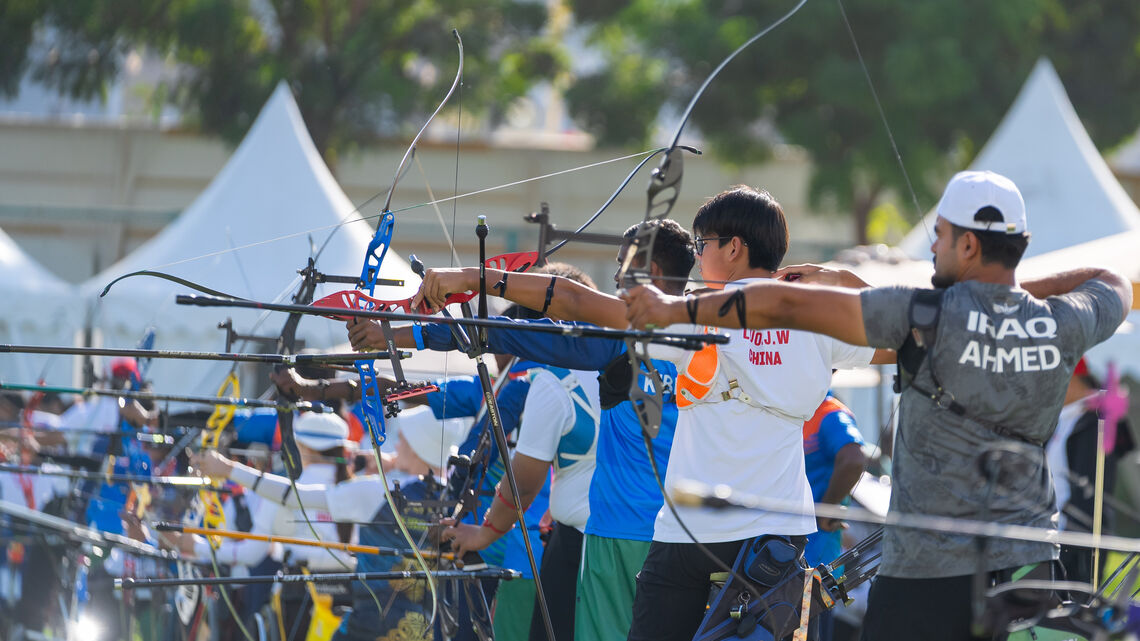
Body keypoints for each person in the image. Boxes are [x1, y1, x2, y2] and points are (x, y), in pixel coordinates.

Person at [621, 170, 1134, 639]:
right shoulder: (1064, 323)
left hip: (924, 570)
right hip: (1029, 562)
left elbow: (786, 303)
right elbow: (1110, 281)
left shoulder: (923, 312)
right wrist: (1003, 301)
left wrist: (673, 307)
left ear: (970, 243)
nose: (933, 245)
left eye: (941, 234)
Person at [412, 188, 880, 641]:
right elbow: (906, 332)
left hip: (688, 536)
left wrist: (475, 279)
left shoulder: (696, 315)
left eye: (704, 245)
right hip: (775, 538)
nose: (698, 258)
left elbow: (575, 303)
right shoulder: (818, 319)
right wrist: (837, 281)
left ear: (735, 248)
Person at [347, 224, 692, 641]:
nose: (616, 280)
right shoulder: (712, 330)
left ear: (650, 271)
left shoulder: (591, 357)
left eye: (623, 268)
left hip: (610, 538)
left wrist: (402, 330)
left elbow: (521, 331)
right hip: (686, 537)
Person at [194, 407, 466, 641]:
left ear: (418, 448)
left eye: (404, 441)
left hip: (369, 624)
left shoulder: (378, 491)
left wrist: (230, 469)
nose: (396, 447)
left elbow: (294, 497)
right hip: (426, 627)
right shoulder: (454, 499)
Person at [1046, 356, 1134, 584]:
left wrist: (1072, 543)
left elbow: (1091, 491)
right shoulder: (1063, 417)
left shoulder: (1095, 419)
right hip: (1051, 537)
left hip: (1077, 540)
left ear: (1072, 378)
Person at [801, 391, 867, 641]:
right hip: (783, 559)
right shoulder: (793, 405)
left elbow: (853, 458)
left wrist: (828, 507)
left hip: (816, 564)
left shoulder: (829, 411)